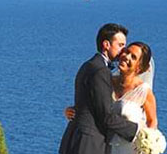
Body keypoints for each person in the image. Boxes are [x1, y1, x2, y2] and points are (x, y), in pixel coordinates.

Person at [59, 23, 140, 154]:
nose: (123, 51)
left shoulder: (89, 65)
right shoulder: (101, 71)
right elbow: (105, 116)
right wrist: (137, 131)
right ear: (106, 45)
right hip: (89, 143)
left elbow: (87, 103)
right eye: (120, 45)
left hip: (76, 137)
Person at [107, 41, 157, 154]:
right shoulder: (107, 81)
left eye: (133, 57)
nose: (126, 57)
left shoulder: (144, 91)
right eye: (126, 52)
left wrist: (148, 143)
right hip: (103, 145)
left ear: (139, 67)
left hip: (129, 149)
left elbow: (152, 120)